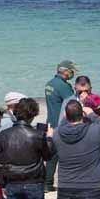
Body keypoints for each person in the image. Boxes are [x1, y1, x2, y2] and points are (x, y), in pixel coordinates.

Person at [43, 61, 76, 191]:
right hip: (61, 123)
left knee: (51, 153)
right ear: (65, 71)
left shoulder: (49, 83)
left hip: (50, 121)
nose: (72, 74)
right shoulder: (63, 86)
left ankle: (47, 182)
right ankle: (50, 182)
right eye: (71, 71)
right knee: (61, 154)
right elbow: (72, 104)